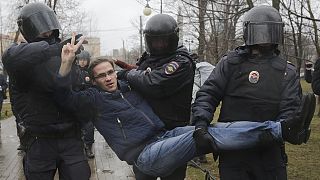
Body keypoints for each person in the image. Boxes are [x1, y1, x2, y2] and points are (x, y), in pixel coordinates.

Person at [56, 39, 315, 177]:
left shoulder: (126, 86)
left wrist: (126, 67)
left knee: (212, 127)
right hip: (144, 155)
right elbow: (64, 97)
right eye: (102, 76)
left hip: (163, 137)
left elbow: (145, 75)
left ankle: (284, 127)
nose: (109, 78)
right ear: (93, 79)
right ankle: (283, 130)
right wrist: (66, 63)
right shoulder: (92, 100)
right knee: (201, 136)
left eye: (111, 72)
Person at [191, 5, 307, 180]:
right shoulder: (230, 63)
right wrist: (200, 124)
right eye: (260, 32)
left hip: (269, 152)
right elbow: (208, 94)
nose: (264, 37)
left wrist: (284, 129)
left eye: (269, 32)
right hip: (233, 151)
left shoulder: (286, 71)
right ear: (249, 32)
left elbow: (290, 109)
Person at [1, 3, 90, 179]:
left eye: (49, 27)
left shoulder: (68, 52)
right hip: (39, 139)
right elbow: (10, 57)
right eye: (41, 28)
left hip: (71, 137)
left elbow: (78, 90)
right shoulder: (20, 56)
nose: (47, 33)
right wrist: (56, 49)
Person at [117, 14, 195, 180]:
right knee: (143, 174)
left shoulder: (181, 61)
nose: (158, 45)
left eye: (163, 41)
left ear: (172, 39)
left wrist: (129, 74)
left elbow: (154, 83)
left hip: (172, 130)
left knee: (172, 175)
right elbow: (143, 75)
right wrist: (135, 72)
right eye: (155, 41)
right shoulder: (149, 58)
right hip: (146, 131)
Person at [72, 50, 95, 159]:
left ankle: (88, 146)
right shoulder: (73, 70)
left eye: (84, 60)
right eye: (80, 60)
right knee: (76, 126)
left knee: (89, 126)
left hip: (87, 103)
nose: (82, 62)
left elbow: (95, 86)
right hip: (75, 102)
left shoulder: (90, 71)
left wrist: (88, 82)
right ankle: (77, 147)